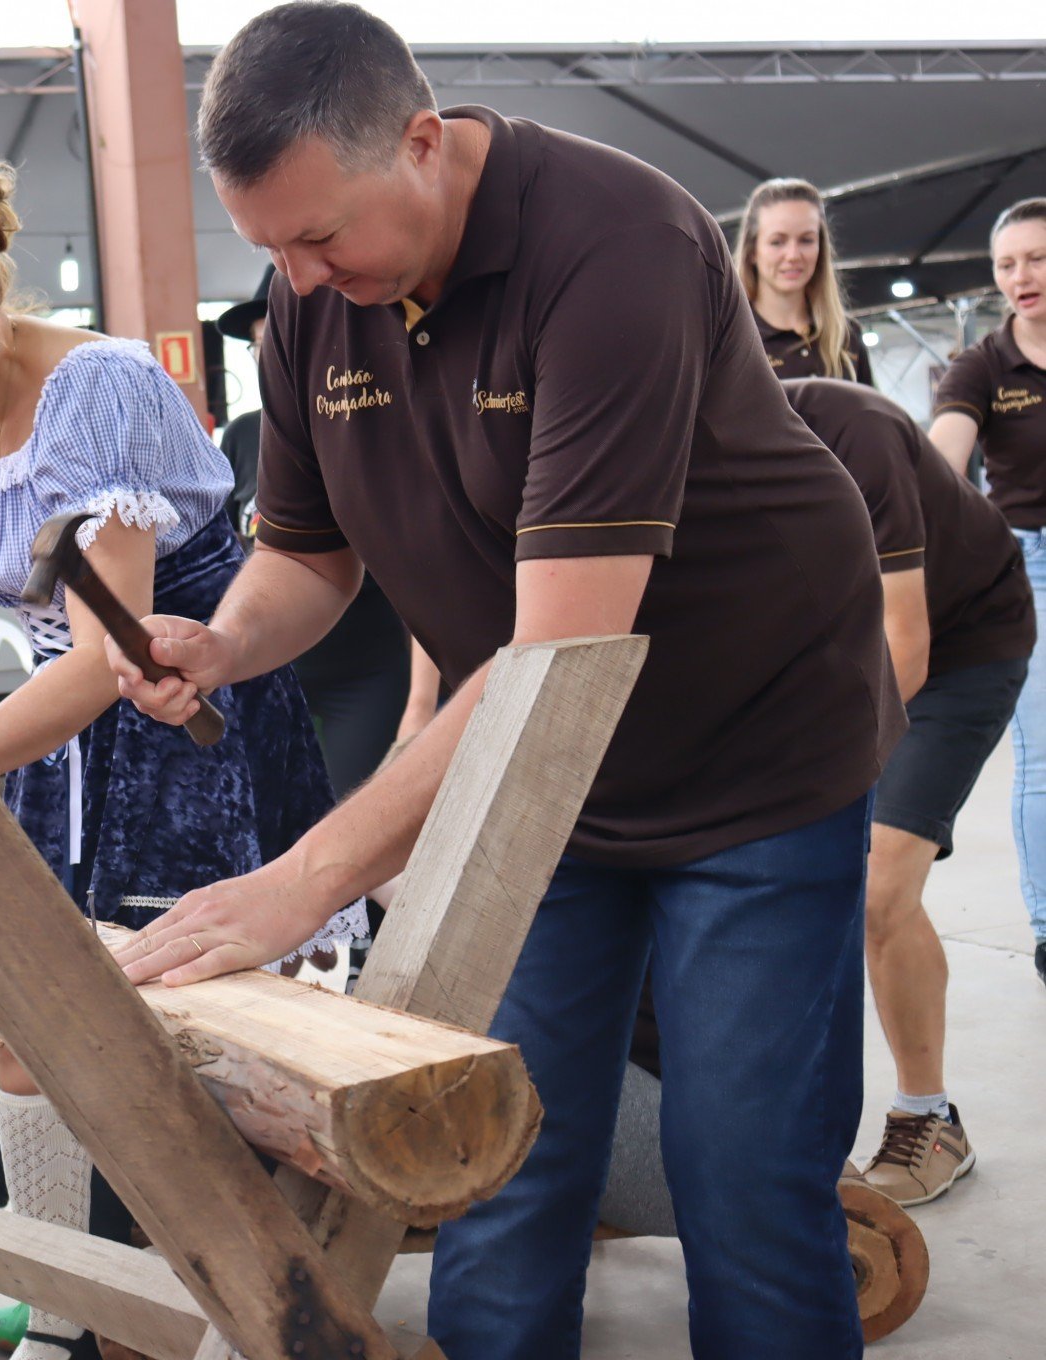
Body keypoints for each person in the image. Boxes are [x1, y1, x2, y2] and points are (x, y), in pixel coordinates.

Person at [106, 7, 903, 1357]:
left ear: (422, 143)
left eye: (320, 238)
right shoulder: (310, 302)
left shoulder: (613, 244)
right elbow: (306, 555)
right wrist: (227, 643)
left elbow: (549, 660)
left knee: (744, 1178)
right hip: (545, 784)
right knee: (492, 1156)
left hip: (752, 752)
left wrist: (305, 881)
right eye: (270, 249)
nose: (296, 279)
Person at [0, 160, 361, 1360]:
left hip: (184, 717)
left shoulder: (98, 391)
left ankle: (201, 1286)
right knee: (25, 999)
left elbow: (105, 660)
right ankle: (61, 1307)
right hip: (54, 724)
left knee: (179, 1012)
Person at [782, 377, 1032, 1204]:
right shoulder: (676, 445)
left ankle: (931, 1118)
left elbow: (908, 645)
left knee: (880, 885)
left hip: (960, 648)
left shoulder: (854, 430)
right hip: (827, 647)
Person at [219, 263, 411, 796]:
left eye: (276, 342)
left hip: (367, 667)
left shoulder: (372, 422)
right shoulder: (243, 435)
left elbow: (423, 571)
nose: (269, 359)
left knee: (361, 814)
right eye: (259, 348)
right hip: (272, 667)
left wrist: (421, 706)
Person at [929, 197, 1046, 987]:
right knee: (1043, 757)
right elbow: (942, 461)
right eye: (1007, 263)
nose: (1020, 277)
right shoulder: (982, 367)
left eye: (1035, 258)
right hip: (1030, 566)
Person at [736, 177, 874, 383]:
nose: (793, 255)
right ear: (752, 251)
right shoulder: (733, 338)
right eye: (777, 242)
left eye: (806, 240)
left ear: (821, 248)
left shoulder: (847, 336)